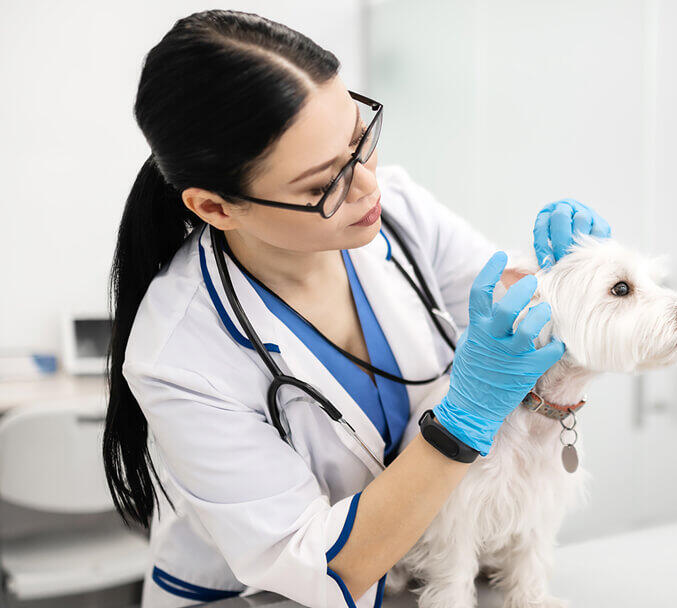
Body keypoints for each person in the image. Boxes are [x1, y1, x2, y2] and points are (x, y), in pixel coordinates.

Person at [101, 9, 612, 608]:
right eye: (322, 185)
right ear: (216, 207)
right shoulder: (179, 357)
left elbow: (511, 307)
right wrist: (460, 426)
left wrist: (574, 277)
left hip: (418, 579)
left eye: (359, 138)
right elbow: (319, 567)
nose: (368, 185)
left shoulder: (399, 212)